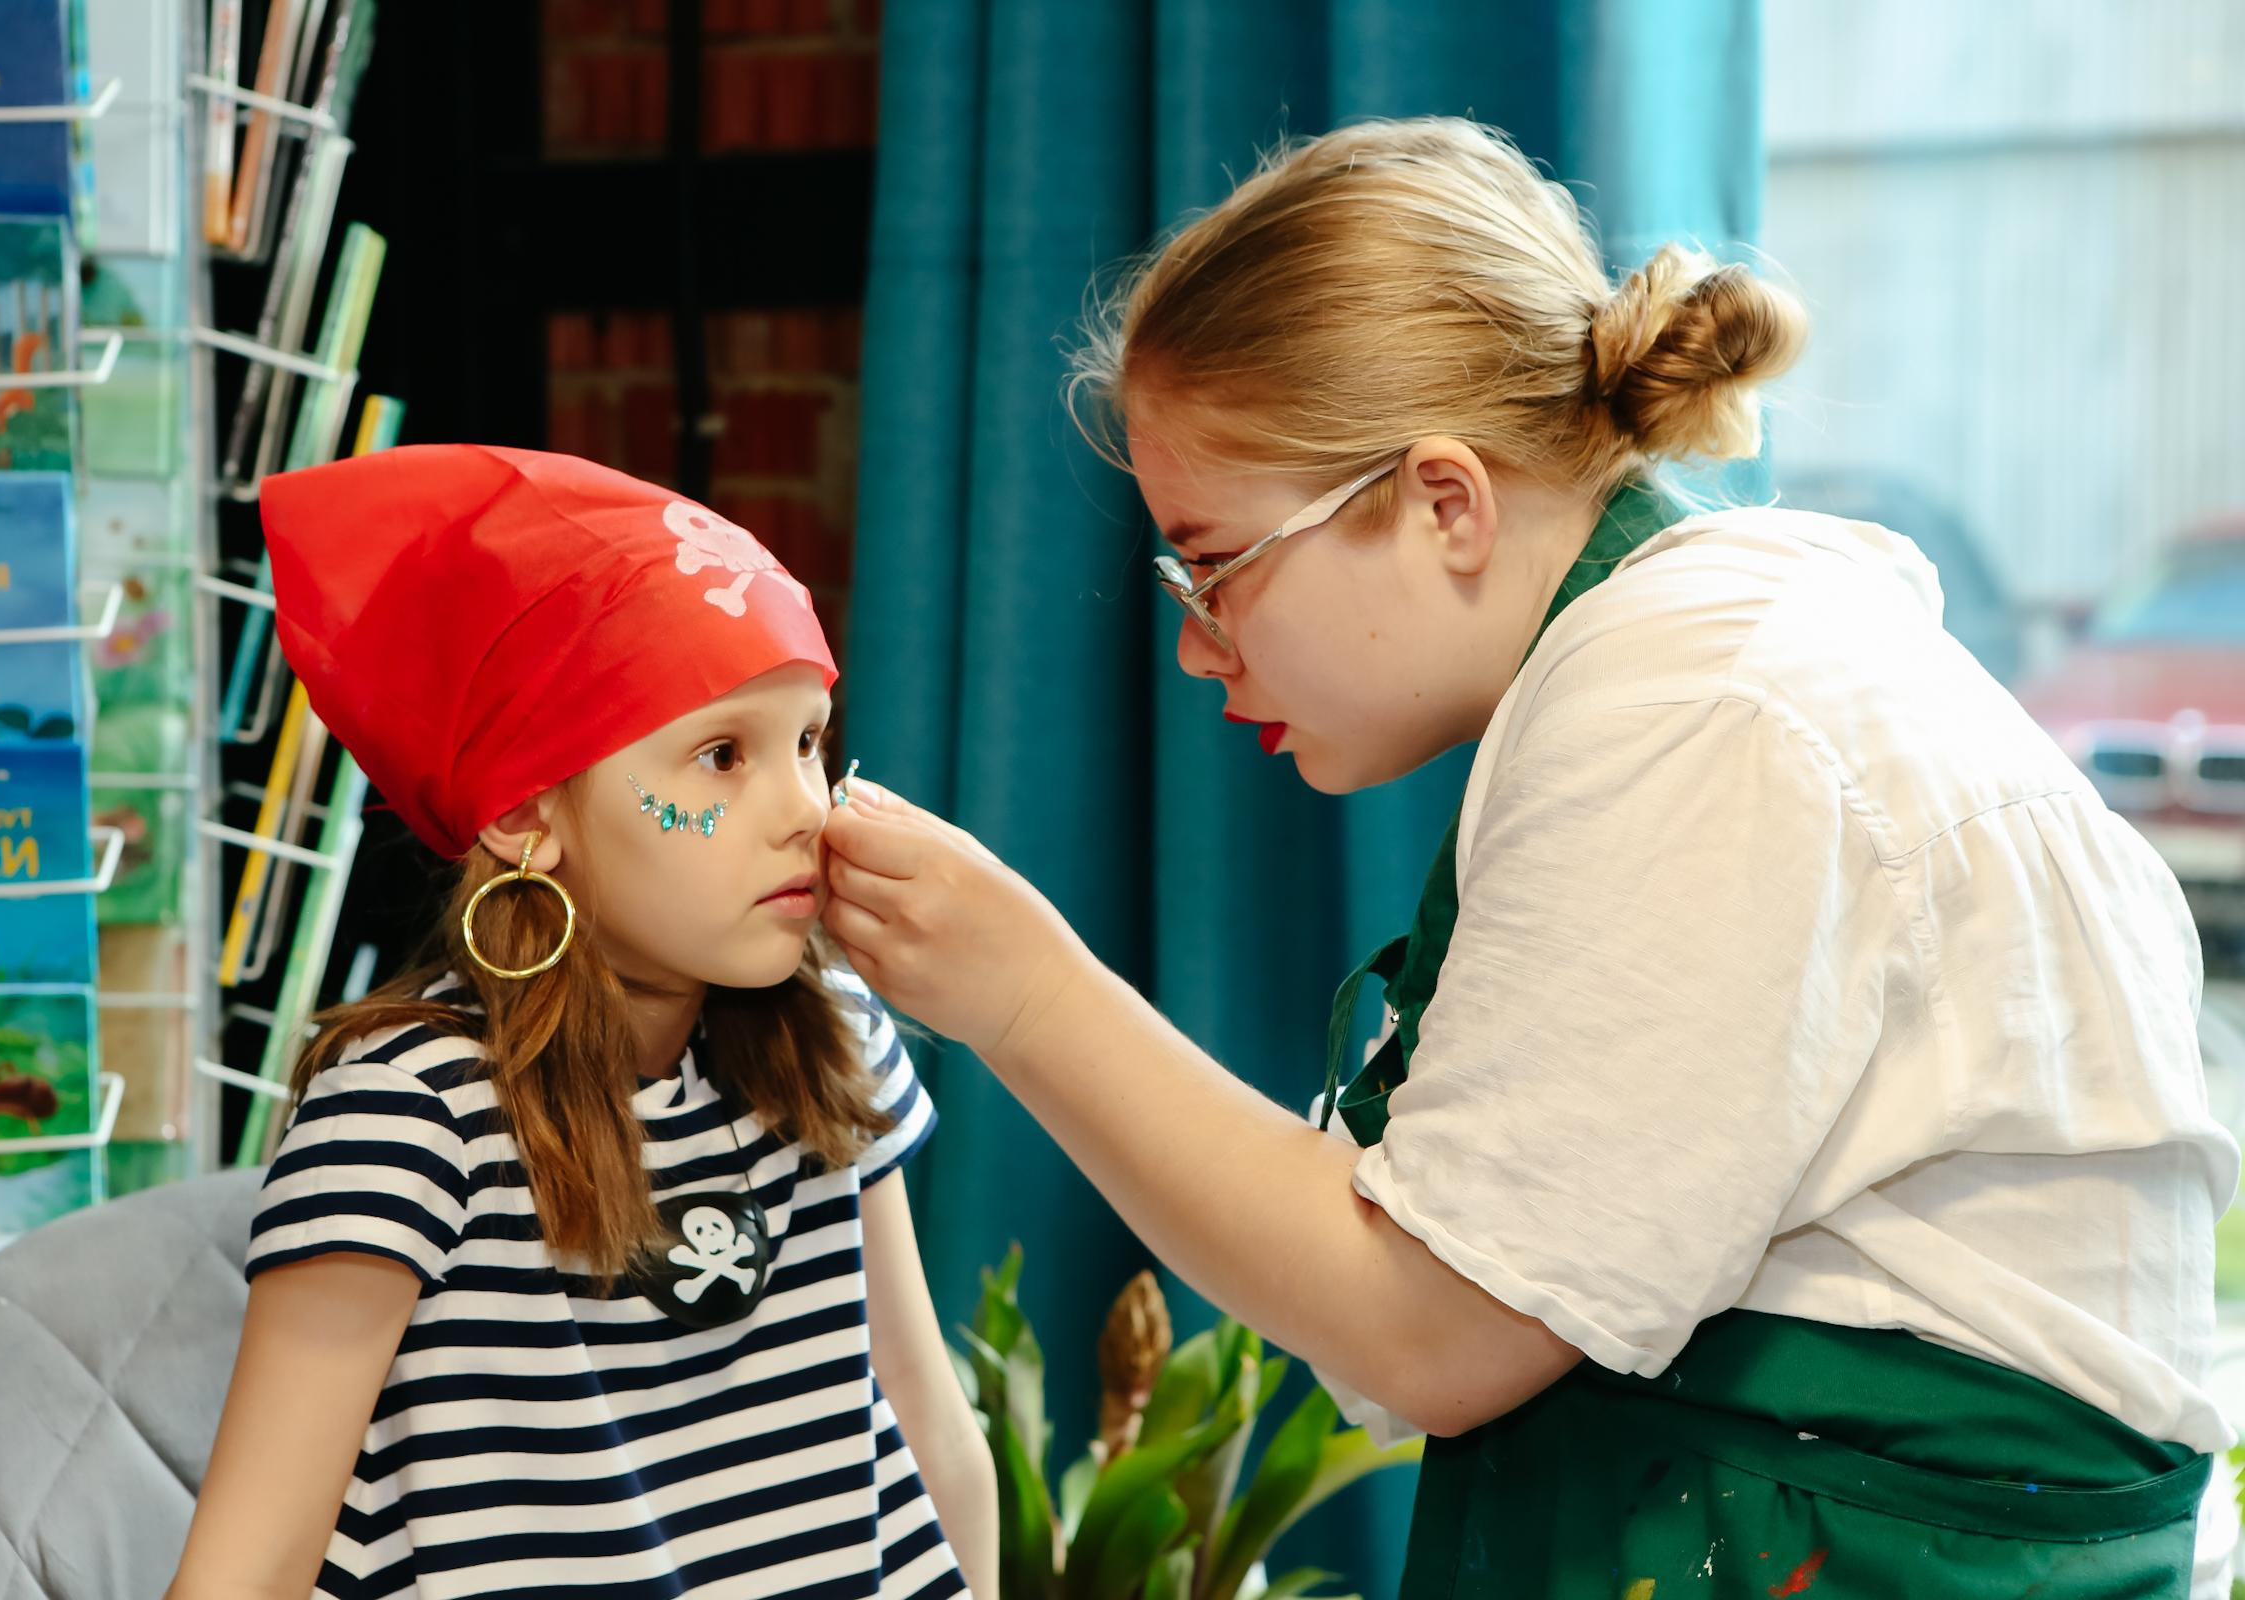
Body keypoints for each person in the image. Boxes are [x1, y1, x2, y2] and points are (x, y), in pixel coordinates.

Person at [820, 117, 2239, 1597]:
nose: (1193, 643)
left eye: (1218, 564)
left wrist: (1027, 996)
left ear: (1445, 502)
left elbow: (1427, 1330)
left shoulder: (1702, 714)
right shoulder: (1710, 662)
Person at [168, 446, 994, 1600]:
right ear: (522, 813)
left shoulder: (834, 1031)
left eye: (808, 740)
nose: (805, 810)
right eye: (721, 756)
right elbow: (241, 1579)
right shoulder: (406, 1113)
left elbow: (937, 1441)